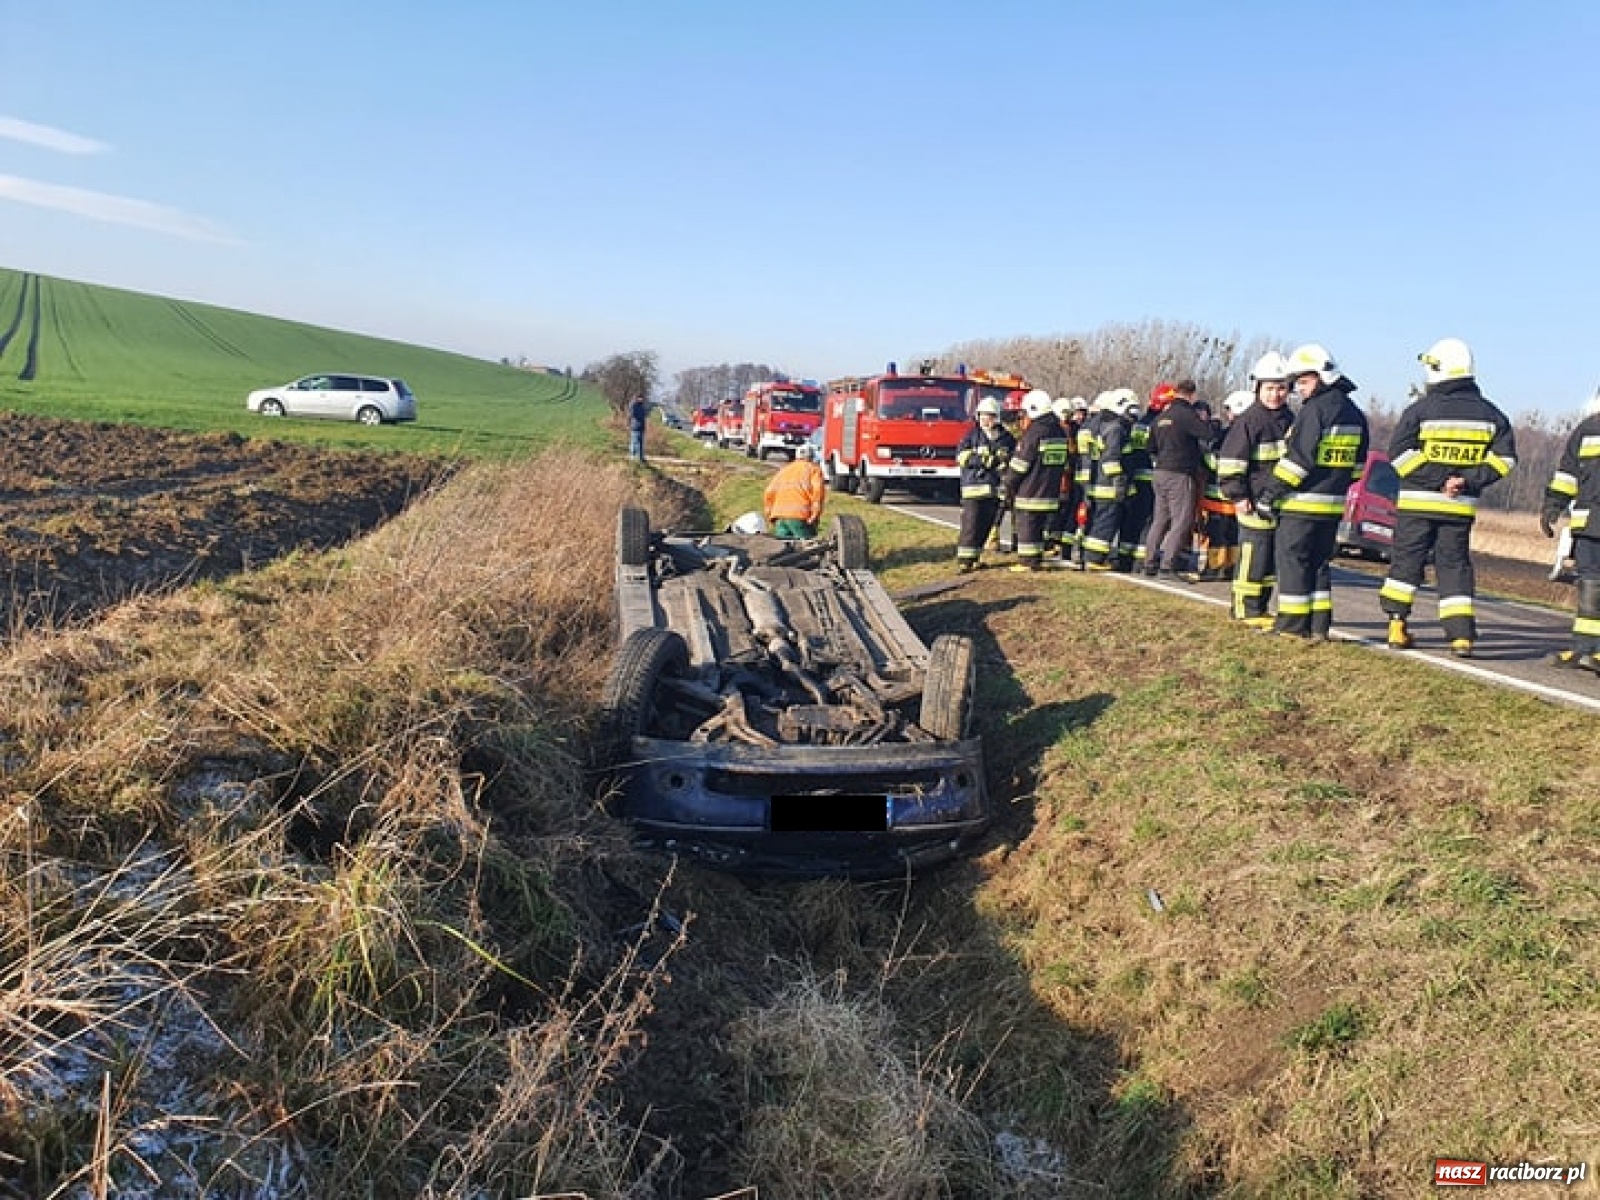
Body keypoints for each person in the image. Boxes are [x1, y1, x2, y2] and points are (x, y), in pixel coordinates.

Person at [1379, 338, 1517, 657]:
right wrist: (1465, 481)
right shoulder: (1491, 415)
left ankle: (1397, 626)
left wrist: (1439, 480)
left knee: (1406, 563)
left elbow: (1399, 455)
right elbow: (1505, 460)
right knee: (1454, 566)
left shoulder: (1420, 410)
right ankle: (1460, 637)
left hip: (1417, 505)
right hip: (1459, 508)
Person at [1258, 344, 1368, 640]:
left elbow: (1299, 460)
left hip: (1301, 504)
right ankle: (1319, 626)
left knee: (1293, 563)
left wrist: (1270, 494)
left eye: (1304, 382)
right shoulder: (1355, 414)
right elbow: (1358, 468)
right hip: (1332, 507)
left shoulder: (1315, 411)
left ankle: (1292, 627)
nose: (1300, 390)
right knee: (1319, 564)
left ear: (1321, 377)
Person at [1217, 352, 1295, 625]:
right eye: (1270, 388)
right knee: (1253, 556)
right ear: (1258, 388)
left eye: (1281, 388)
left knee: (1269, 561)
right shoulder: (1249, 421)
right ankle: (1244, 609)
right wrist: (1237, 496)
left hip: (1277, 502)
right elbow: (1230, 463)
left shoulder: (1289, 419)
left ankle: (1260, 607)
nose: (1276, 394)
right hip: (1251, 499)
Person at [1540, 386, 1600, 672]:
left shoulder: (1587, 429)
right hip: (1590, 525)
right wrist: (1553, 505)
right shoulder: (1586, 430)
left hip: (1590, 523)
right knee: (1590, 583)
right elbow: (1567, 474)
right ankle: (1585, 649)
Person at [1143, 378, 1212, 579]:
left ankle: (1149, 562)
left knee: (1160, 519)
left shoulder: (1161, 418)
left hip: (1160, 472)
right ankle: (1167, 565)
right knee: (1182, 520)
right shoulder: (1186, 415)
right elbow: (1207, 434)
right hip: (1180, 473)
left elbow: (1151, 448)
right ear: (1192, 395)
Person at [1002, 389, 1072, 572]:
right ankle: (1037, 558)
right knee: (1039, 527)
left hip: (1031, 490)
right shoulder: (1059, 431)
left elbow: (1021, 464)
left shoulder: (1034, 432)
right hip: (1050, 491)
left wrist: (1008, 481)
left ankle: (1027, 562)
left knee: (1028, 526)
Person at [954, 396, 1017, 571]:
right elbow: (961, 457)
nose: (985, 419)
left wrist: (1004, 463)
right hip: (973, 489)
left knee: (986, 525)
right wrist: (985, 460)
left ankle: (975, 557)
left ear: (996, 417)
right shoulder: (972, 436)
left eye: (989, 416)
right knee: (971, 525)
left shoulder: (1006, 438)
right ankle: (965, 561)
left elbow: (1013, 458)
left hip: (995, 490)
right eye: (982, 415)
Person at [1082, 389, 1138, 569]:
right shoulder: (1115, 428)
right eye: (1132, 410)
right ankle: (1094, 559)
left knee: (1098, 522)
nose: (1134, 415)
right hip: (1108, 486)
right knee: (1105, 523)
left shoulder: (1104, 425)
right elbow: (1111, 460)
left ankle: (1090, 556)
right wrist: (1119, 482)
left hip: (1099, 483)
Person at [763, 441, 827, 538]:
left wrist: (770, 515)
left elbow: (769, 493)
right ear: (811, 456)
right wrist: (815, 515)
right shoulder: (814, 470)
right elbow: (817, 494)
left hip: (779, 517)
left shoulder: (784, 470)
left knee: (783, 550)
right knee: (809, 549)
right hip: (800, 517)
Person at [627, 395, 651, 463]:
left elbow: (646, 415)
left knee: (641, 443)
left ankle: (641, 457)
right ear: (636, 399)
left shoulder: (642, 406)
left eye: (642, 398)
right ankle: (632, 457)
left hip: (642, 427)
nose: (641, 399)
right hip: (635, 427)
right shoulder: (633, 406)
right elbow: (631, 413)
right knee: (634, 442)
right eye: (639, 398)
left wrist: (647, 410)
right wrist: (633, 401)